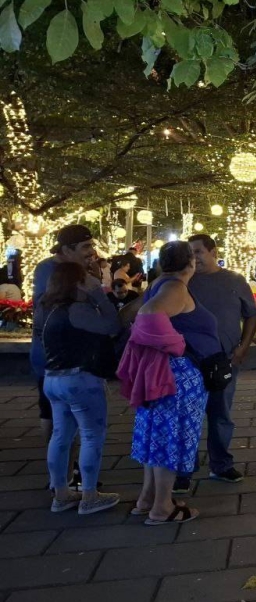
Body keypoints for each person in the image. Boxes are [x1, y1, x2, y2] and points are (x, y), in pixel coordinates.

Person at [121, 241, 222, 526]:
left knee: (156, 434)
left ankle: (148, 498)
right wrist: (175, 344)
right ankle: (162, 507)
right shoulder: (175, 288)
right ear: (189, 263)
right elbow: (148, 314)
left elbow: (132, 314)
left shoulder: (161, 283)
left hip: (162, 374)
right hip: (178, 376)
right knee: (170, 436)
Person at [38, 262, 121, 514]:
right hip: (80, 379)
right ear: (77, 283)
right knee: (91, 435)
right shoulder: (78, 309)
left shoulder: (49, 309)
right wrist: (99, 296)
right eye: (86, 277)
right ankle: (90, 495)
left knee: (61, 435)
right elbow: (113, 326)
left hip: (53, 379)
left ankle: (60, 493)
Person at [180, 234, 256, 491]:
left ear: (213, 251)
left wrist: (243, 347)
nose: (194, 259)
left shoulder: (234, 280)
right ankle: (184, 468)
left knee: (220, 414)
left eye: (198, 252)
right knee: (188, 415)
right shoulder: (183, 282)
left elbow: (251, 316)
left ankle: (221, 464)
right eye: (190, 254)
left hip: (224, 360)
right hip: (188, 360)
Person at [30, 225, 100, 456]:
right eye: (86, 246)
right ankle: (61, 476)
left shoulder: (76, 269)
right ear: (67, 249)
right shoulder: (49, 270)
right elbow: (45, 310)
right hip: (54, 358)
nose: (91, 251)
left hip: (74, 359)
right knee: (54, 416)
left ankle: (67, 474)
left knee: (72, 420)